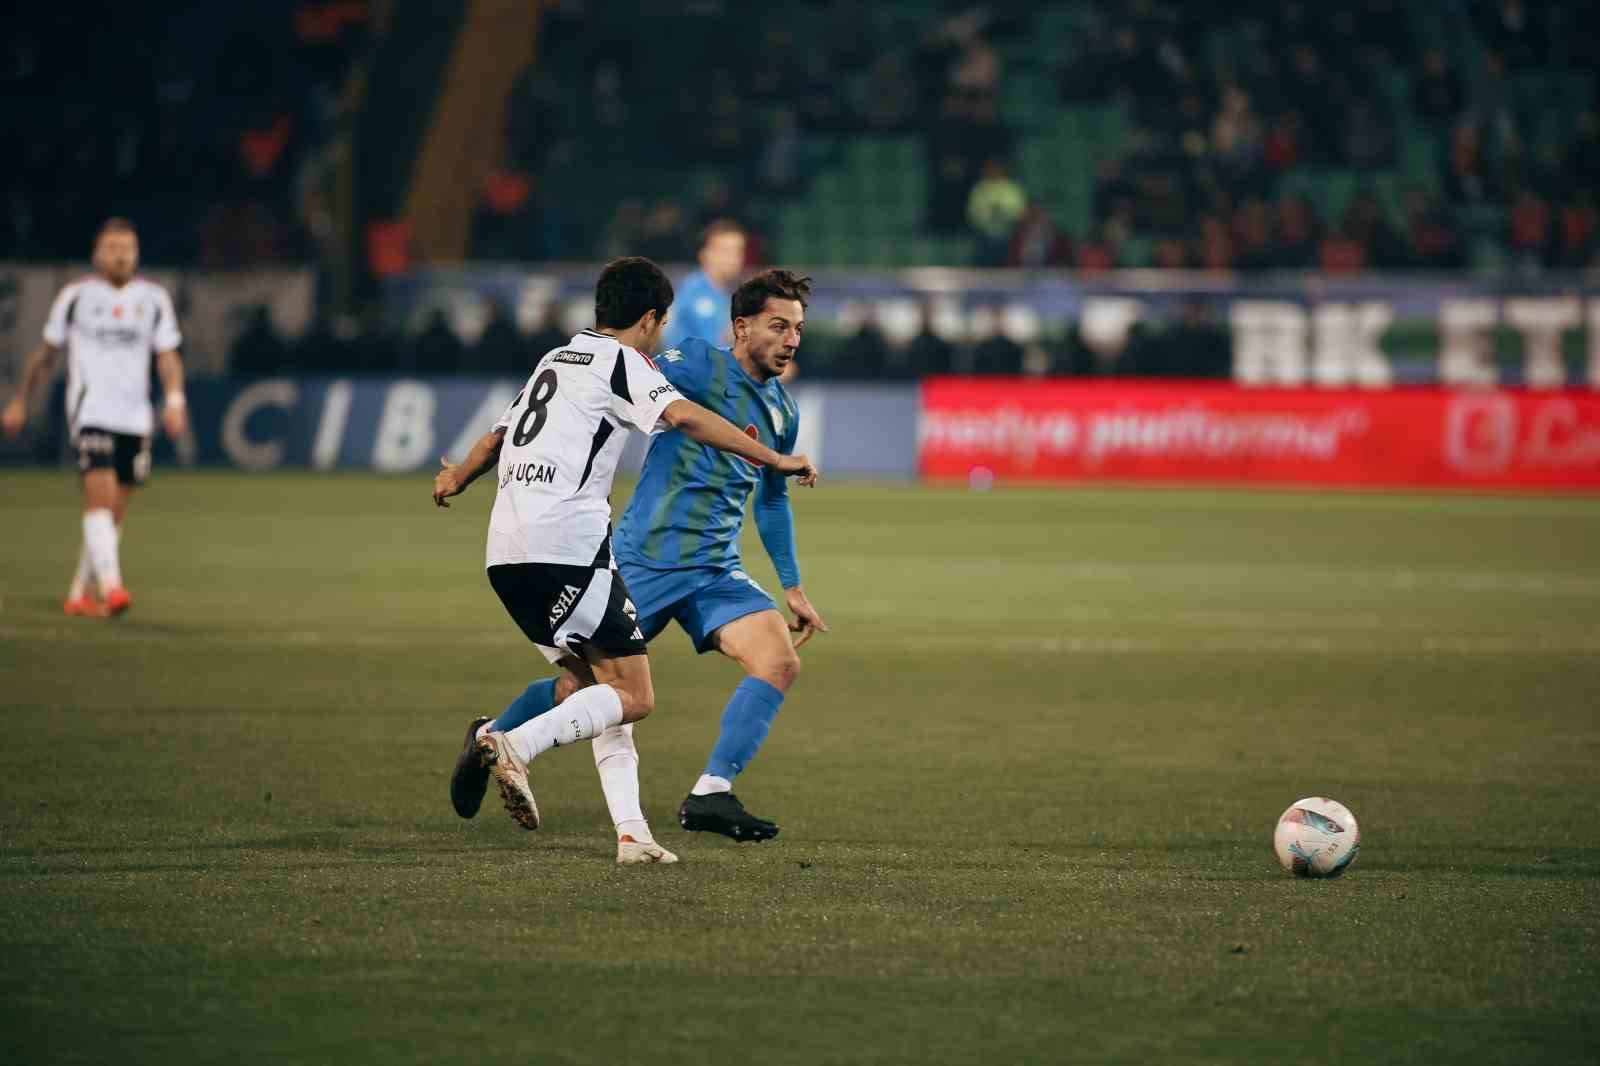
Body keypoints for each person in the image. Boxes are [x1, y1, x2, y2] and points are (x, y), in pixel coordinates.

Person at [431, 257, 818, 864]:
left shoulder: (783, 413)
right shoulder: (688, 362)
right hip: (644, 554)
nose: (790, 339)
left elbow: (771, 502)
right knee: (589, 686)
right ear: (741, 327)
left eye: (797, 328)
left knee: (778, 661)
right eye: (778, 326)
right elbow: (656, 399)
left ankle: (710, 792)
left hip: (714, 566)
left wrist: (791, 584)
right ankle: (497, 740)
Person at [1, 218, 187, 618]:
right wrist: (20, 400)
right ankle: (112, 588)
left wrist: (174, 399)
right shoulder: (76, 296)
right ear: (97, 254)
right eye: (113, 248)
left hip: (135, 416)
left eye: (128, 248)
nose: (121, 255)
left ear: (137, 254)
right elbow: (46, 353)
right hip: (91, 411)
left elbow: (167, 355)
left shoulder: (154, 298)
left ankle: (79, 593)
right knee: (99, 498)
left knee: (114, 511)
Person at [661, 219, 745, 350]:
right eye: (726, 250)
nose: (733, 258)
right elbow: (710, 352)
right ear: (705, 254)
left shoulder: (725, 293)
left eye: (738, 251)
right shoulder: (695, 292)